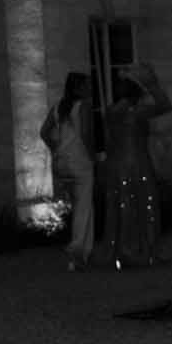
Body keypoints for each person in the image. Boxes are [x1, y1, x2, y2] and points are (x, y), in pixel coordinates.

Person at [102, 63, 171, 268]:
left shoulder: (111, 111)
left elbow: (109, 141)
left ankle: (123, 251)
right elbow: (165, 104)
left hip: (118, 164)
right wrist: (152, 83)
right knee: (144, 205)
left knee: (123, 206)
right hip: (138, 162)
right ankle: (145, 251)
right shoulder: (138, 111)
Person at [39, 71, 96, 271]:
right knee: (84, 207)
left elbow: (44, 132)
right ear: (79, 88)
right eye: (87, 85)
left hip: (61, 163)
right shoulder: (83, 107)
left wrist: (55, 148)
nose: (90, 89)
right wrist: (93, 157)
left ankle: (84, 253)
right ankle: (77, 249)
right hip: (79, 161)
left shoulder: (58, 108)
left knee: (83, 206)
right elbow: (87, 135)